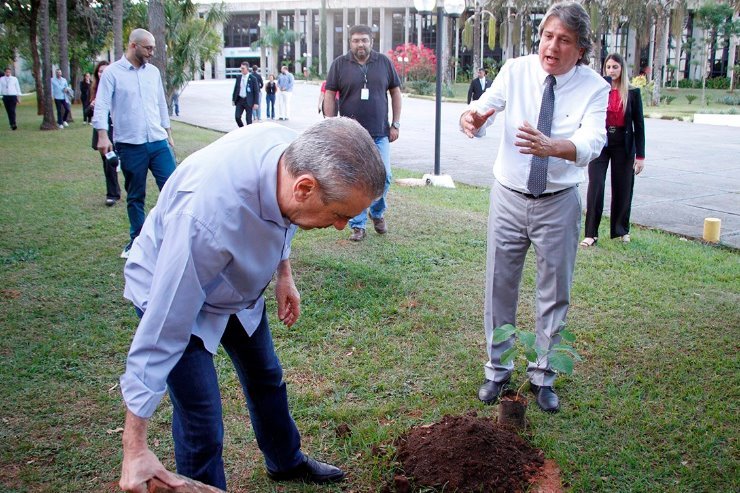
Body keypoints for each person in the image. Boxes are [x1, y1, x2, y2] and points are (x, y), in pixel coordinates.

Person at [117, 117, 386, 492]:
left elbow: (285, 214)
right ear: (306, 188)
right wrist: (135, 448)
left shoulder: (292, 153)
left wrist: (283, 271)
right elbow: (162, 332)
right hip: (176, 285)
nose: (342, 226)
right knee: (202, 420)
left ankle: (285, 461)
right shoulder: (205, 216)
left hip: (236, 286)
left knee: (266, 376)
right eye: (340, 214)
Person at [460, 1, 608, 413]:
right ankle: (497, 369)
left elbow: (594, 140)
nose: (552, 47)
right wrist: (471, 119)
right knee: (498, 285)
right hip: (508, 197)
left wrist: (553, 147)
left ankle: (543, 375)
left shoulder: (595, 87)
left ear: (580, 50)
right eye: (547, 36)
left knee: (554, 291)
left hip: (558, 203)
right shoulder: (515, 71)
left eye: (564, 40)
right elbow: (483, 108)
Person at [92, 28, 176, 259]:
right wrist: (102, 134)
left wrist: (168, 132)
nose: (151, 52)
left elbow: (160, 103)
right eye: (148, 48)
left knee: (174, 189)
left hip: (158, 142)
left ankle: (174, 236)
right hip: (131, 144)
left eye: (153, 48)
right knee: (135, 195)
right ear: (133, 46)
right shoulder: (112, 73)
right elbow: (101, 105)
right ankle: (137, 241)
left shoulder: (153, 73)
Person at [324, 24, 402, 242]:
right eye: (356, 40)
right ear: (350, 42)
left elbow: (396, 93)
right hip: (350, 135)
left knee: (385, 176)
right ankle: (358, 225)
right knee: (355, 181)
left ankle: (376, 213)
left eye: (364, 40)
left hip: (379, 133)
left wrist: (395, 123)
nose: (360, 44)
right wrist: (331, 125)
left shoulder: (384, 63)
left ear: (371, 42)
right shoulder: (339, 64)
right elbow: (330, 94)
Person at [582, 53, 645, 246]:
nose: (611, 71)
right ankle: (591, 234)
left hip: (623, 144)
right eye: (608, 67)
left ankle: (621, 230)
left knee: (623, 187)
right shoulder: (600, 90)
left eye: (615, 67)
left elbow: (639, 125)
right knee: (596, 186)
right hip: (601, 142)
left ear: (622, 69)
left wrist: (640, 156)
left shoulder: (632, 93)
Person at [88, 60, 121, 207]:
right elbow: (88, 114)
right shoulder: (95, 90)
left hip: (118, 131)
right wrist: (92, 106)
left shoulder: (118, 87)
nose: (103, 73)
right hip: (103, 133)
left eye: (105, 70)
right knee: (108, 163)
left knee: (118, 162)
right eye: (100, 71)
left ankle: (118, 190)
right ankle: (112, 193)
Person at [232, 61, 260, 127]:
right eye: (241, 68)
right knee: (237, 117)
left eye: (243, 68)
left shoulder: (253, 79)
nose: (241, 70)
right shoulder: (239, 78)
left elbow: (256, 91)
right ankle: (242, 129)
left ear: (247, 68)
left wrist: (256, 102)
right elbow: (236, 89)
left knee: (248, 119)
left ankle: (249, 132)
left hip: (248, 100)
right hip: (240, 100)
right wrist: (233, 99)